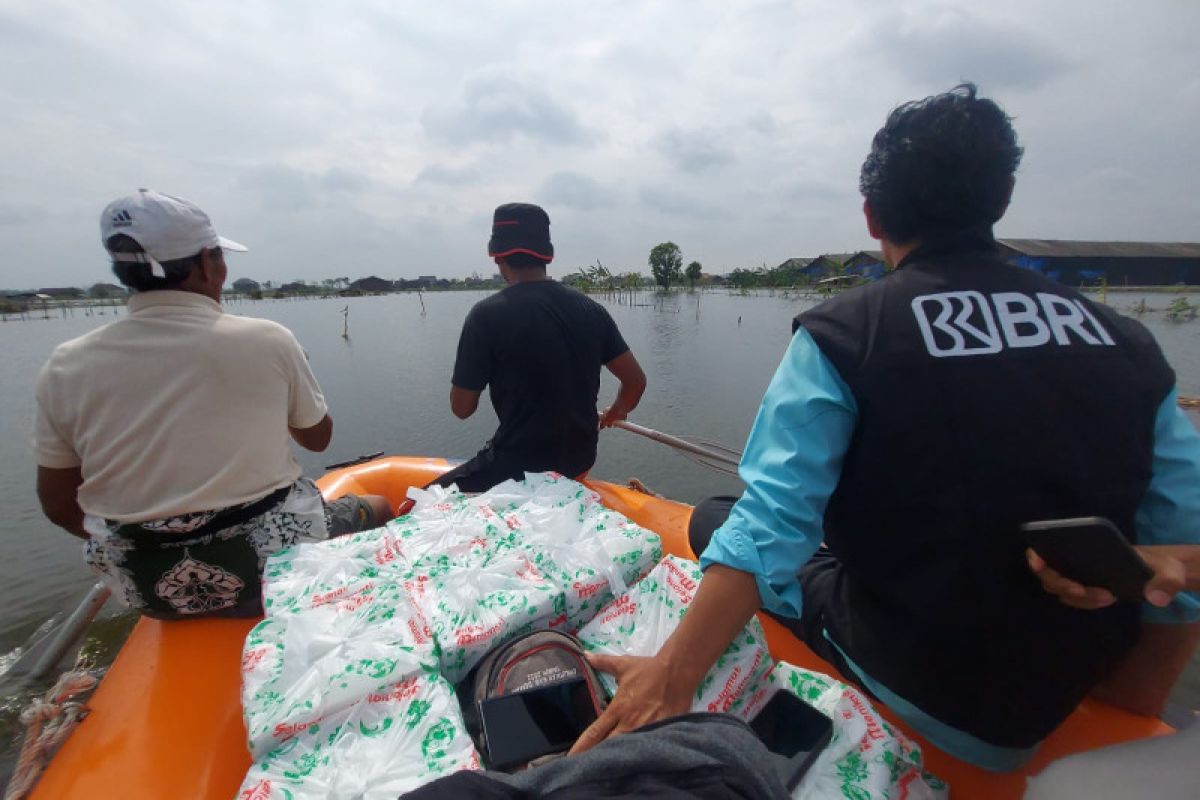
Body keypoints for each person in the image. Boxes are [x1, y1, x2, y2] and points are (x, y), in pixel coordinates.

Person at [571, 85, 1200, 771]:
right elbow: (1181, 536)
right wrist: (1132, 709)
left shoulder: (848, 333)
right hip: (1067, 680)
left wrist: (669, 680)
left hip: (925, 680)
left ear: (873, 217)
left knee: (719, 518)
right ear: (999, 199)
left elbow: (772, 523)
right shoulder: (1129, 341)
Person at [35, 189, 391, 619]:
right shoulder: (267, 339)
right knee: (377, 506)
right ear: (208, 265)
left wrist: (150, 542)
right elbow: (317, 438)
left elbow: (57, 504)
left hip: (154, 591)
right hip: (272, 571)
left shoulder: (66, 364)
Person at [432, 203, 646, 493]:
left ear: (497, 256)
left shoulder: (485, 315)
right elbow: (635, 382)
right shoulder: (591, 309)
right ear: (548, 255)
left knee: (416, 503)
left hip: (518, 471)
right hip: (579, 462)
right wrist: (615, 412)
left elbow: (462, 408)